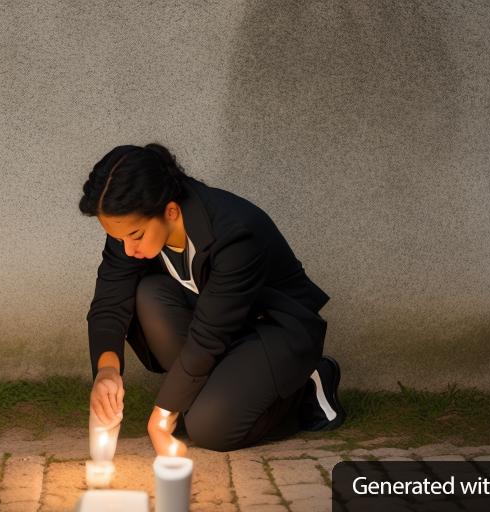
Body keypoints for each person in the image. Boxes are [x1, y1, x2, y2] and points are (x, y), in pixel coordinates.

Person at [79, 143, 345, 455]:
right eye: (117, 238)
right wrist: (107, 371)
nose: (127, 249)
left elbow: (208, 336)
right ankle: (216, 393)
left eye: (135, 236)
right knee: (149, 295)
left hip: (274, 329)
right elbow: (110, 301)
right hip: (218, 327)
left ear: (170, 211)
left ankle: (306, 385)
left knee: (209, 429)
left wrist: (164, 413)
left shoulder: (234, 233)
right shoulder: (132, 228)